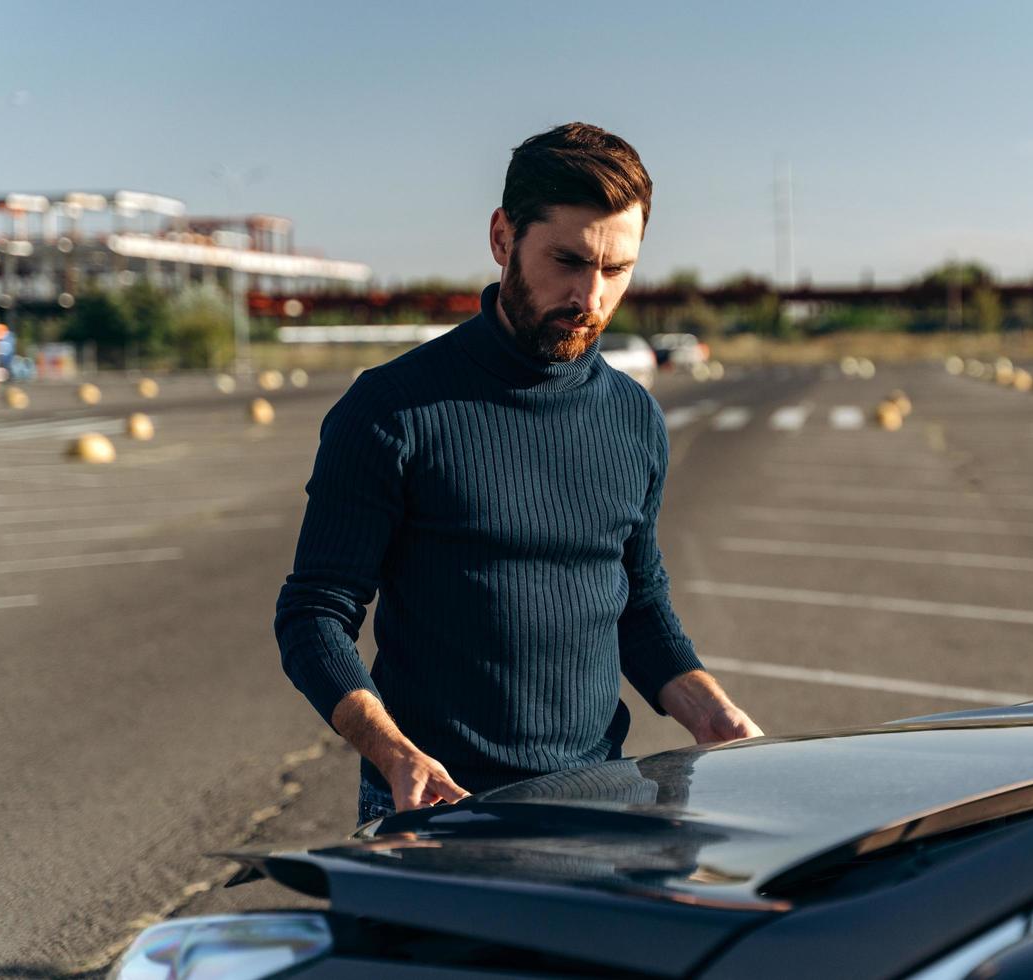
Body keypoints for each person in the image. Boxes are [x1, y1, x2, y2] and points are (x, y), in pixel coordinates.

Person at [275, 122, 763, 825]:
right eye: (566, 260)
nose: (590, 297)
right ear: (503, 237)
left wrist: (711, 712)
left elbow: (637, 602)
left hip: (601, 798)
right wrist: (393, 753)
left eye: (617, 269)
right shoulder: (390, 411)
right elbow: (314, 615)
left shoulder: (633, 417)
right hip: (438, 807)